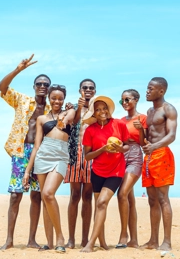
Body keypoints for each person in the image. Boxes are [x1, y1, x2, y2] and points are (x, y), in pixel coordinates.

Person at [0, 54, 51, 250]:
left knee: (36, 195)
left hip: (41, 154)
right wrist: (18, 70)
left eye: (46, 84)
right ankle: (9, 240)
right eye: (39, 83)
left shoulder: (53, 108)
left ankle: (31, 240)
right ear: (34, 86)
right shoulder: (22, 100)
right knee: (15, 195)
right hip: (21, 152)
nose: (42, 86)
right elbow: (1, 88)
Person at [23, 84, 75, 254]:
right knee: (45, 200)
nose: (57, 101)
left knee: (48, 193)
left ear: (64, 99)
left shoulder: (69, 112)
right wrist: (27, 171)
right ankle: (50, 242)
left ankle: (60, 237)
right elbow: (37, 146)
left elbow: (67, 120)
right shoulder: (41, 119)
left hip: (60, 156)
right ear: (49, 98)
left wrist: (67, 112)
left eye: (60, 98)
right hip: (42, 157)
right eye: (54, 98)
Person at [80, 96, 130, 253]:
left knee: (101, 203)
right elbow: (87, 156)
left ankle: (91, 243)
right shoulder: (90, 130)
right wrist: (102, 149)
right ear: (94, 113)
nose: (102, 111)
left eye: (104, 108)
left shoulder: (119, 124)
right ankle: (102, 242)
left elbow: (127, 145)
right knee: (98, 207)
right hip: (97, 172)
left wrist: (121, 149)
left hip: (115, 170)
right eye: (98, 109)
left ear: (109, 110)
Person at [141, 77, 178, 252]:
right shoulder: (149, 111)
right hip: (148, 158)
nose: (147, 91)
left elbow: (171, 135)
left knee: (163, 199)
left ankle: (167, 242)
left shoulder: (168, 109)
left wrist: (154, 146)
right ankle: (153, 240)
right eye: (147, 88)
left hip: (162, 155)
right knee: (152, 200)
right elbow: (148, 136)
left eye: (150, 88)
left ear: (161, 91)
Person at [63, 79, 97, 249]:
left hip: (91, 155)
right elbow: (72, 124)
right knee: (75, 195)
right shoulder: (73, 109)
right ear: (79, 90)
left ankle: (84, 239)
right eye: (85, 87)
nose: (88, 90)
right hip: (75, 153)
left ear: (95, 91)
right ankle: (71, 239)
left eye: (91, 88)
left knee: (88, 197)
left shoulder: (98, 110)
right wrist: (77, 107)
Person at [116, 89, 148, 249]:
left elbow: (144, 143)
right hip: (121, 156)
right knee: (129, 198)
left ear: (136, 100)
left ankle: (124, 235)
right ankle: (134, 240)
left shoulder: (143, 118)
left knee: (121, 194)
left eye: (127, 100)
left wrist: (141, 130)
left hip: (135, 155)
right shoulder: (120, 121)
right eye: (122, 101)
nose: (125, 103)